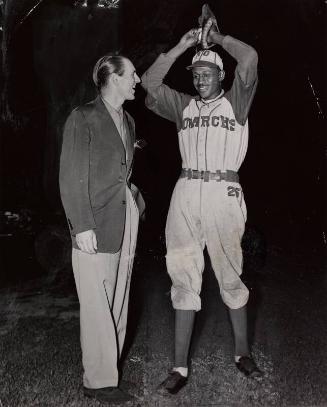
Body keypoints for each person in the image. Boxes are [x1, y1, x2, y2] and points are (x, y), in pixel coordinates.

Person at [141, 20, 261, 395]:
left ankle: (242, 354)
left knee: (230, 274)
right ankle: (179, 367)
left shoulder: (237, 101)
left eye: (208, 72)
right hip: (186, 192)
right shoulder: (184, 106)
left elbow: (251, 57)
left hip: (224, 191)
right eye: (196, 73)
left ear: (221, 75)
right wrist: (181, 48)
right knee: (183, 273)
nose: (200, 79)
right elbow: (148, 84)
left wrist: (219, 38)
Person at [59, 53, 143, 403]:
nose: (138, 81)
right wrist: (81, 225)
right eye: (133, 75)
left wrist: (136, 199)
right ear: (114, 79)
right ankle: (98, 382)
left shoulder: (130, 121)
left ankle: (110, 372)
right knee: (96, 305)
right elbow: (70, 175)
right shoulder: (83, 117)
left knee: (119, 300)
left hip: (124, 221)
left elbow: (122, 170)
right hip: (93, 223)